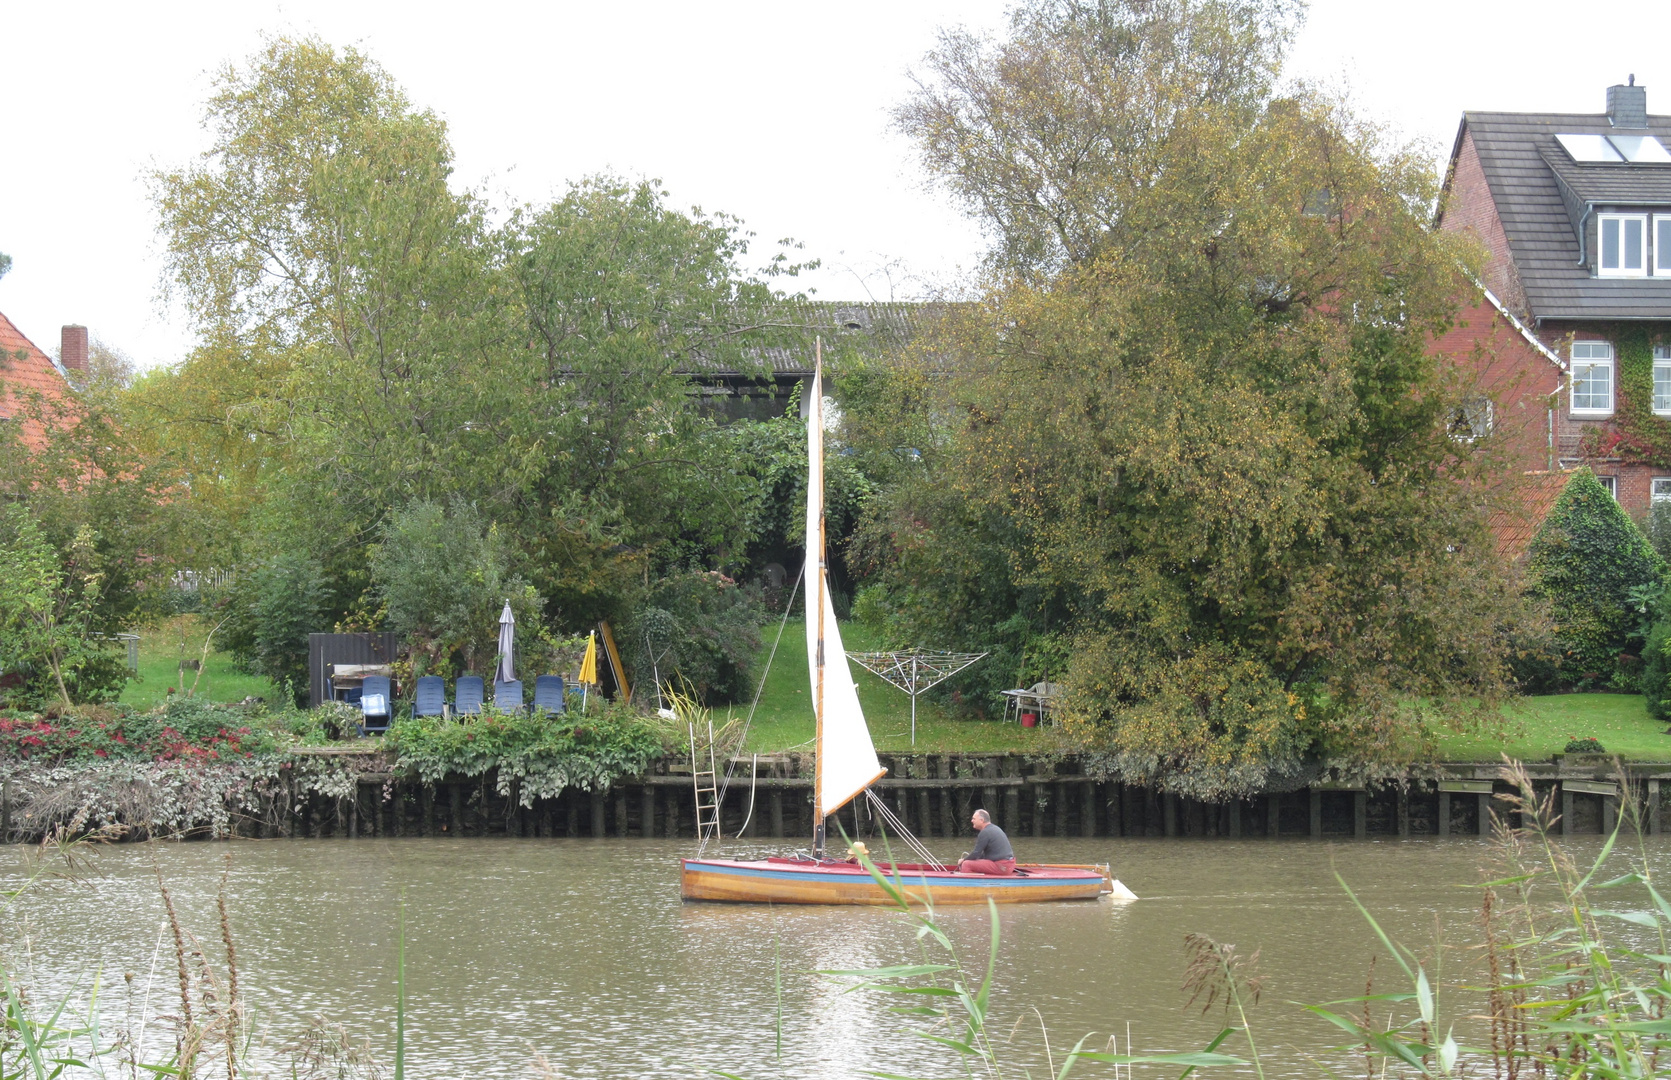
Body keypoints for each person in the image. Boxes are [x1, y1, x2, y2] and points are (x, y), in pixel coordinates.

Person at [957, 808, 1016, 875]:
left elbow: (976, 853)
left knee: (966, 864)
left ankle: (968, 884)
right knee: (972, 861)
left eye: (974, 819)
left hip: (1002, 866)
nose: (972, 821)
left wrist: (963, 860)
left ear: (982, 820)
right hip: (1008, 865)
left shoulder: (985, 832)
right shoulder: (995, 828)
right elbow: (981, 855)